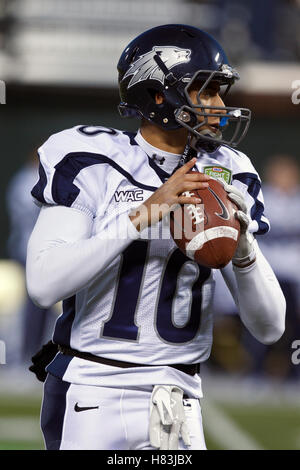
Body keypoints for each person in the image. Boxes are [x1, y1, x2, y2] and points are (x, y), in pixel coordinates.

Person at [26, 24, 286, 450]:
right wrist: (142, 215)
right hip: (94, 394)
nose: (220, 106)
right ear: (159, 95)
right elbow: (43, 284)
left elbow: (271, 327)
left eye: (222, 91)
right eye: (207, 91)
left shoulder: (230, 171)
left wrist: (244, 247)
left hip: (181, 400)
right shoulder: (92, 158)